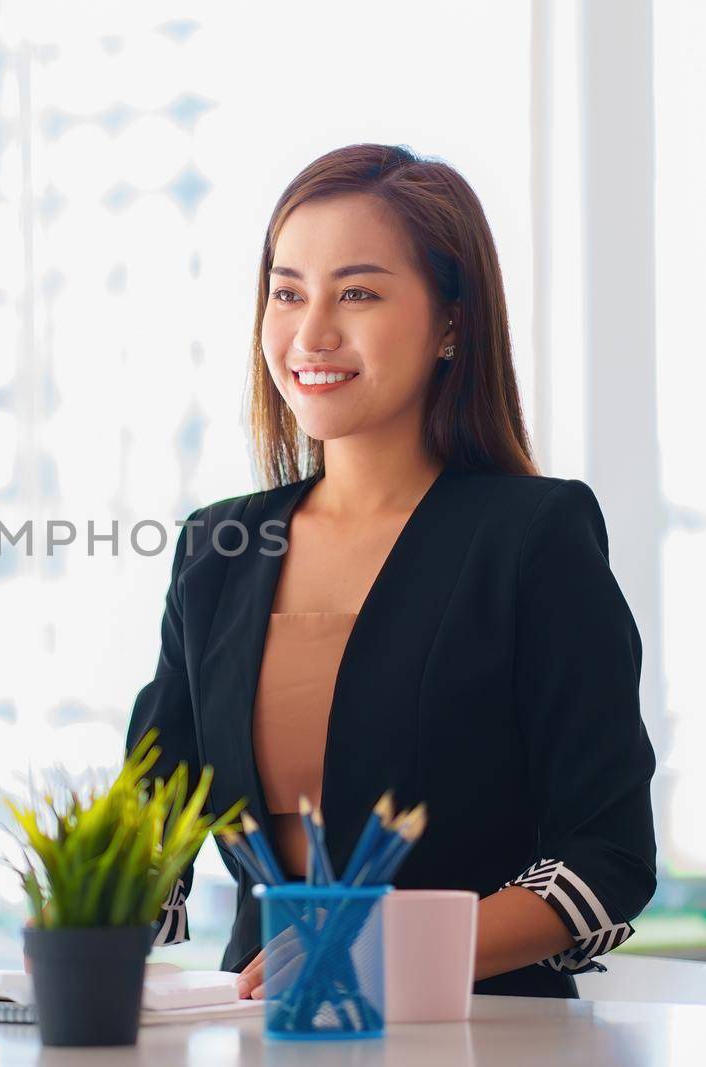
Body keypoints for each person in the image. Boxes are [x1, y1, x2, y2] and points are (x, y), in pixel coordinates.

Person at [125, 143, 656, 999]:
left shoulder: (532, 535)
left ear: (452, 321)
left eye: (358, 293)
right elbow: (154, 821)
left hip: (475, 1033)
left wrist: (383, 954)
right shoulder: (219, 547)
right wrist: (84, 920)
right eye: (288, 291)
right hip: (266, 1033)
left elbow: (609, 859)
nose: (311, 333)